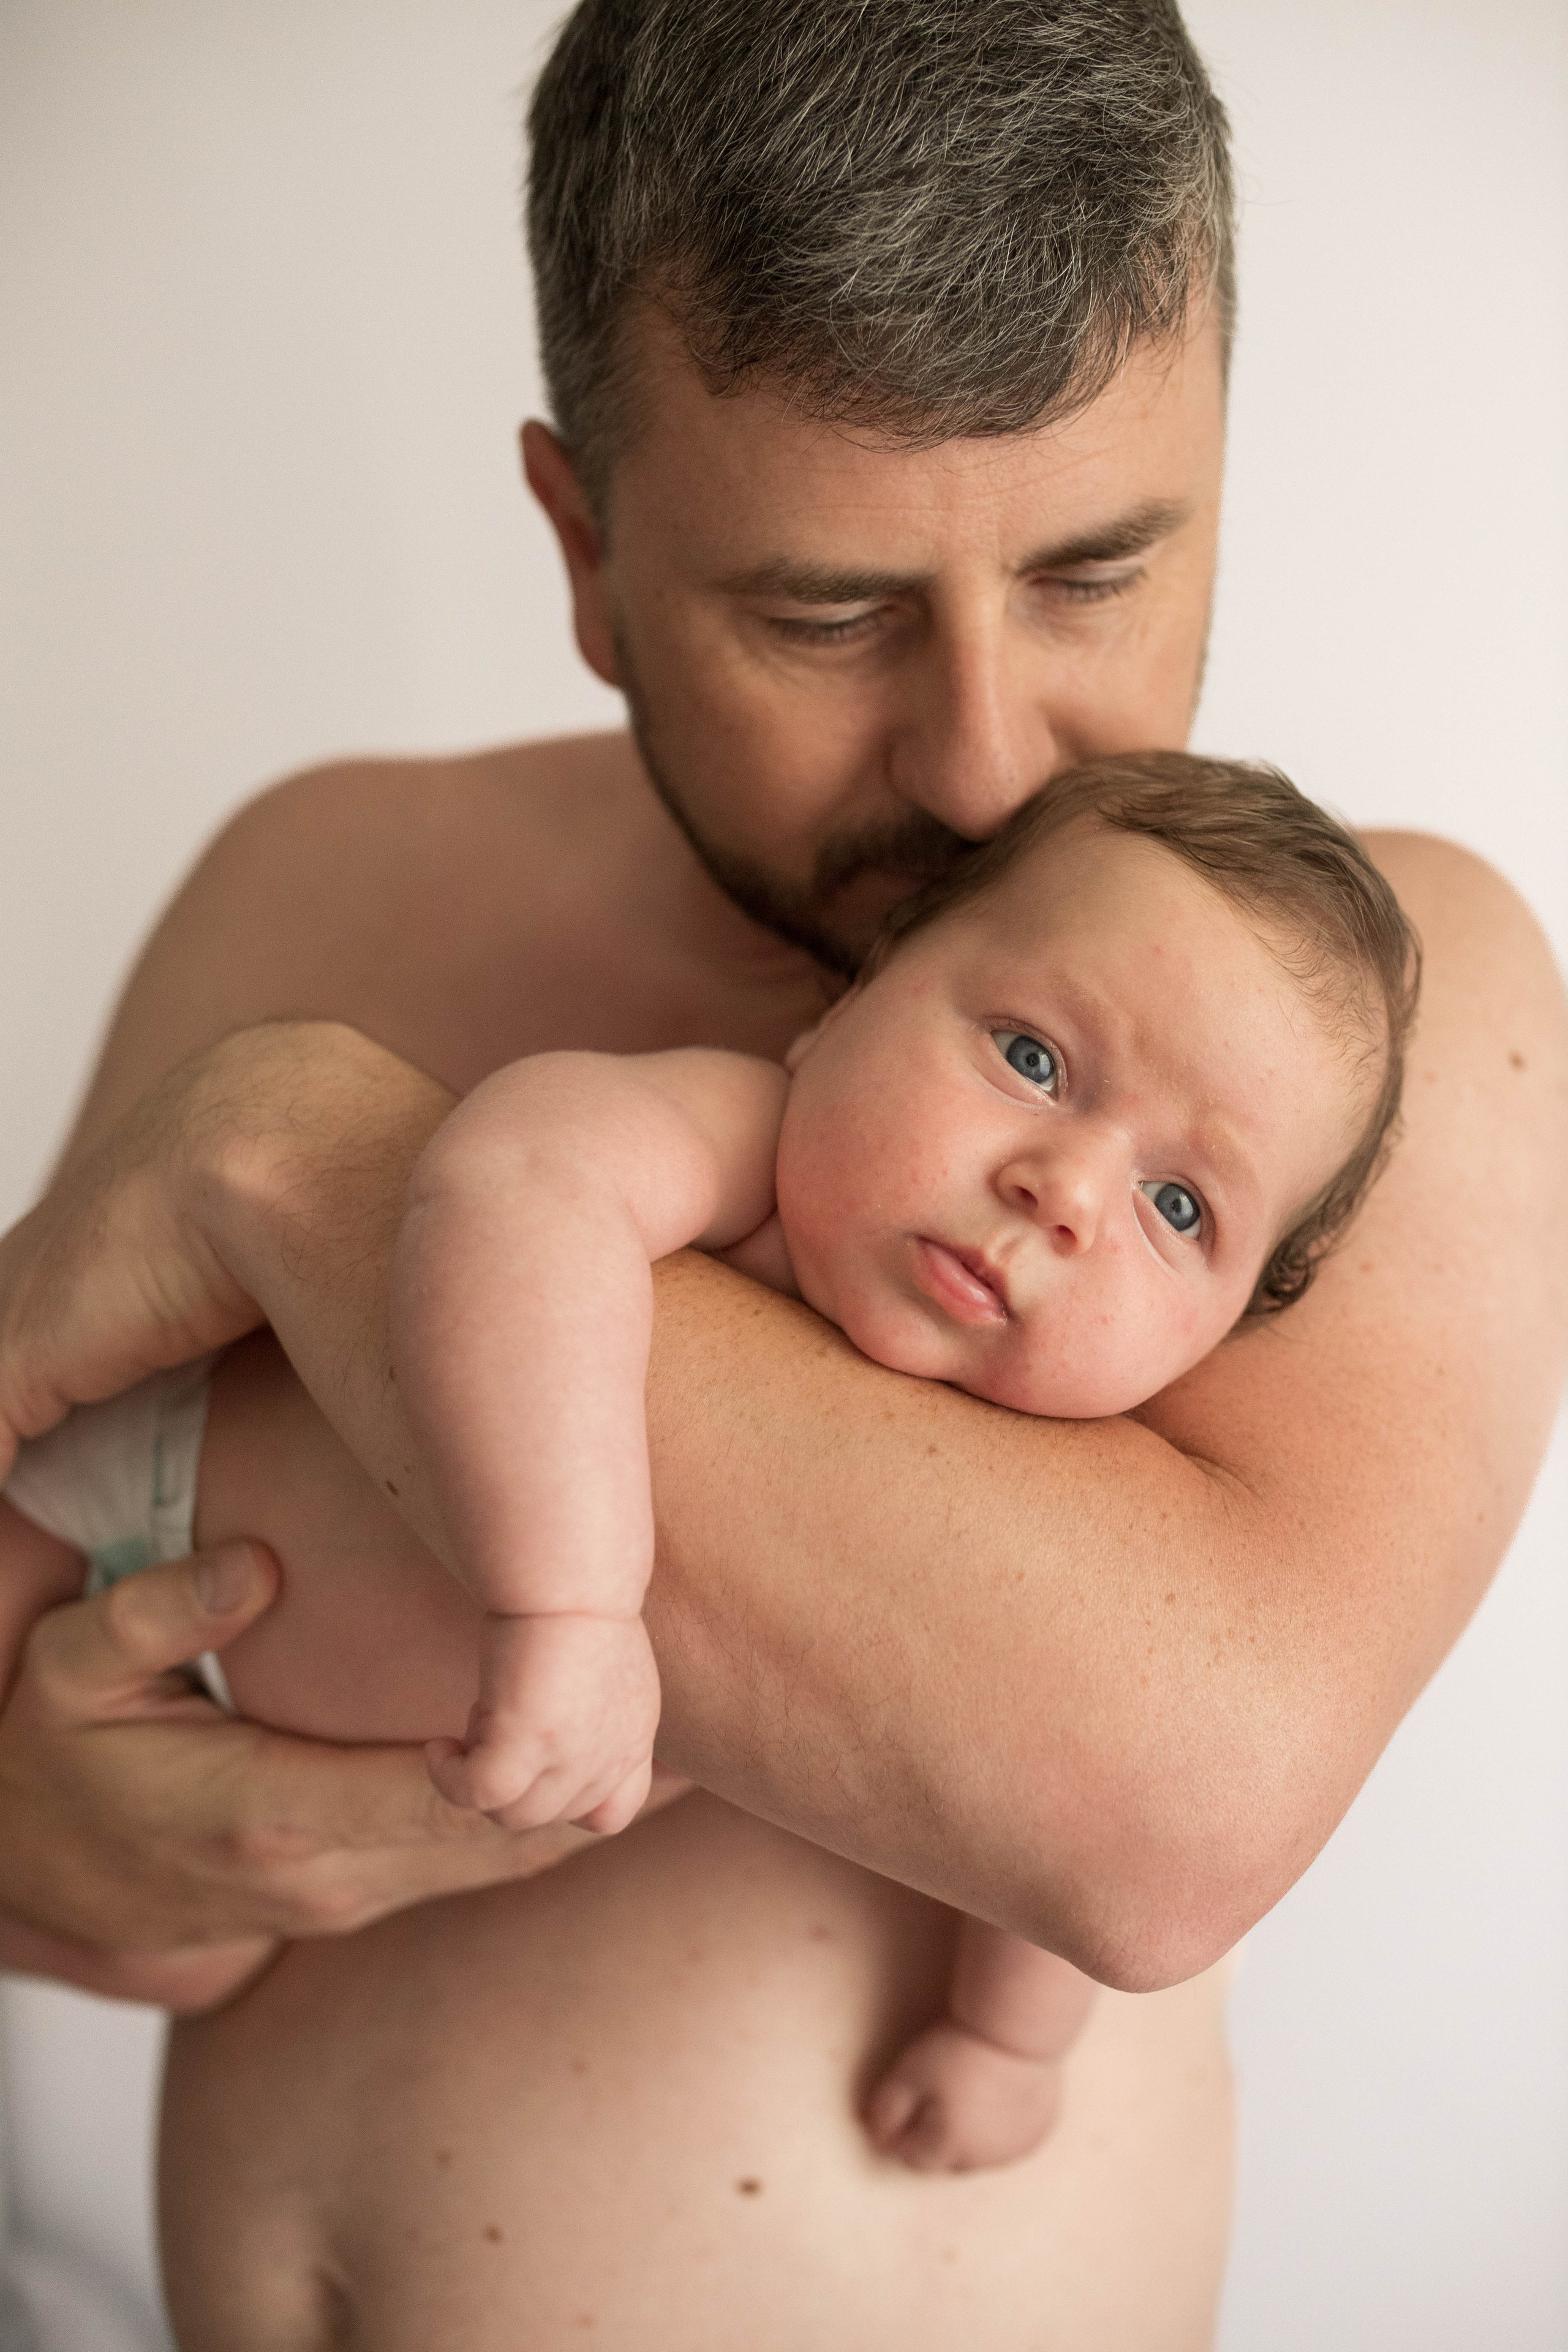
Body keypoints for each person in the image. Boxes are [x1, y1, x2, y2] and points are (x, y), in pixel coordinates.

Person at [0, 2, 1562, 2343]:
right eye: (829, 613)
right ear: (589, 545)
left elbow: (1166, 1810)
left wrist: (306, 1163)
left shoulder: (1352, 1034)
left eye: (1098, 572)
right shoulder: (309, 872)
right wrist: (30, 1826)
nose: (986, 767)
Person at [3, 753, 1420, 2184]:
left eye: (1176, 1206)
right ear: (854, 998)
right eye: (1030, 1059)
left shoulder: (1072, 1490)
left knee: (183, 1952)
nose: (1063, 1190)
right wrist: (571, 1608)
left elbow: (1037, 1831)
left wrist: (1005, 2041)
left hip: (241, 1752)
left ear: (1221, 1332)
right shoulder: (748, 1153)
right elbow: (517, 1179)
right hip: (135, 1479)